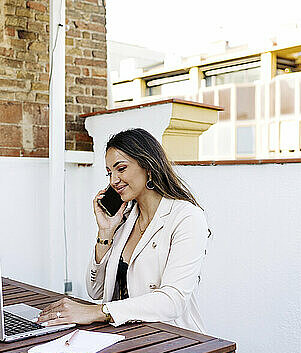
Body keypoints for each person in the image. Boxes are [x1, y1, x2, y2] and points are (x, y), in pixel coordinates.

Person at [37, 127, 209, 334]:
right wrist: (105, 233)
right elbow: (96, 290)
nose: (113, 181)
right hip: (123, 335)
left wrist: (97, 312)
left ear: (148, 166)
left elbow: (173, 301)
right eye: (110, 173)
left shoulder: (186, 217)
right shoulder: (125, 218)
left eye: (121, 169)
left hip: (172, 339)